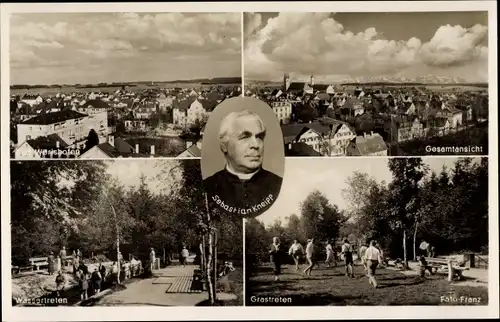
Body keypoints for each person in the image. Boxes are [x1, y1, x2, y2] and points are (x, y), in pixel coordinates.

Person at [203, 110, 283, 218]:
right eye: (245, 137)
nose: (255, 145)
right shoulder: (207, 188)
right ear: (224, 146)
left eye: (259, 137)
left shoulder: (278, 185)